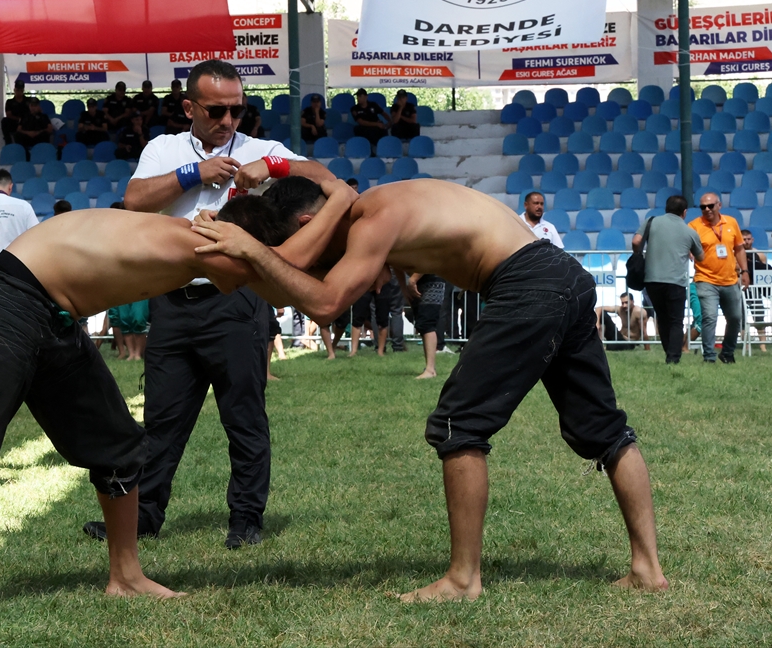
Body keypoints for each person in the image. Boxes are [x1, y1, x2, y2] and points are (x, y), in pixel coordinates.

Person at [0, 194, 351, 618]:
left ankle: (126, 576)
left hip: (52, 314)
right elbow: (282, 269)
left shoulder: (198, 236)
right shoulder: (203, 243)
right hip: (10, 304)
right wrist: (340, 200)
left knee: (119, 448)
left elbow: (271, 268)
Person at [195, 176, 668, 600]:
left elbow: (324, 303)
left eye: (306, 247)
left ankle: (463, 580)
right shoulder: (366, 203)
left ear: (307, 224)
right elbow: (296, 282)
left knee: (457, 425)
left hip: (527, 282)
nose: (312, 259)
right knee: (602, 429)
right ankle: (648, 570)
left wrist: (253, 251)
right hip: (562, 274)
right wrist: (244, 253)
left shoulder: (371, 220)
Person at [113, 59, 334, 548]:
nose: (229, 120)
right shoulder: (164, 149)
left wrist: (274, 166)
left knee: (244, 416)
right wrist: (194, 173)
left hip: (237, 300)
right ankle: (143, 517)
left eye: (238, 110)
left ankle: (246, 519)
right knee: (161, 420)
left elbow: (323, 178)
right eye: (216, 111)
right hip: (172, 299)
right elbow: (134, 200)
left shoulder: (259, 148)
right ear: (189, 107)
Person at [689, 193, 749, 364]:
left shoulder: (731, 222)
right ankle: (709, 356)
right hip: (705, 279)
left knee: (735, 318)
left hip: (730, 280)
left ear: (719, 205)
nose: (707, 209)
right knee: (709, 318)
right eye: (703, 207)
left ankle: (727, 352)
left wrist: (745, 271)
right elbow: (687, 248)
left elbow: (739, 249)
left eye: (710, 206)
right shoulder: (693, 226)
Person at [406, 272, 447, 378]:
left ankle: (430, 370)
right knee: (422, 324)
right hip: (418, 280)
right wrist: (405, 287)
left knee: (427, 323)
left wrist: (412, 280)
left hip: (432, 278)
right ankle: (429, 368)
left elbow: (427, 262)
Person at [741, 230, 772, 353]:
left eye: (748, 239)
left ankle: (763, 346)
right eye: (744, 239)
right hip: (741, 289)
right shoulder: (735, 254)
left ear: (752, 240)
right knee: (741, 319)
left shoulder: (760, 254)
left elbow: (764, 272)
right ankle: (746, 346)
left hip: (755, 290)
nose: (746, 242)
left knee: (759, 317)